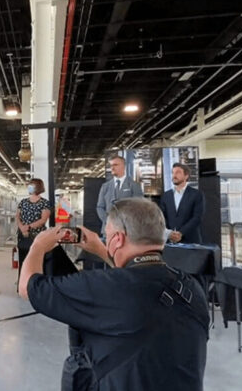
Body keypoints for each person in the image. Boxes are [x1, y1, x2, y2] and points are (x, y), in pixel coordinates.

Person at [19, 198, 209, 391]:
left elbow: (27, 286)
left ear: (117, 240)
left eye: (108, 235)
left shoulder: (101, 288)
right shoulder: (191, 289)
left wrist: (38, 245)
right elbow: (133, 276)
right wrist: (101, 249)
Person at [83, 155, 143, 269]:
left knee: (126, 263)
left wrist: (123, 223)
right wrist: (109, 221)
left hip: (128, 232)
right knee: (108, 262)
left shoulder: (134, 186)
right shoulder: (105, 186)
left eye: (116, 165)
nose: (112, 168)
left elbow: (139, 207)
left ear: (124, 166)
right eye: (111, 165)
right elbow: (99, 207)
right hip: (108, 232)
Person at [160, 163, 205, 244]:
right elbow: (162, 217)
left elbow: (197, 217)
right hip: (169, 241)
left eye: (178, 172)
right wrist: (169, 233)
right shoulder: (166, 196)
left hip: (191, 241)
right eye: (173, 172)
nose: (174, 175)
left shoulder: (196, 194)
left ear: (186, 176)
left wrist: (181, 233)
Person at [15, 178, 51, 280]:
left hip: (37, 236)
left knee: (36, 261)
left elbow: (43, 220)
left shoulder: (44, 203)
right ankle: (22, 284)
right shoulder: (23, 202)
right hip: (23, 235)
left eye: (31, 185)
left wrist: (28, 227)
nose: (29, 187)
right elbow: (17, 216)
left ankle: (36, 285)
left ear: (38, 187)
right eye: (29, 185)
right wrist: (22, 227)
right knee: (23, 260)